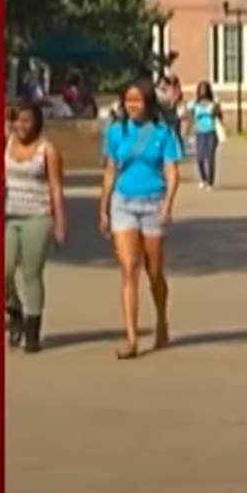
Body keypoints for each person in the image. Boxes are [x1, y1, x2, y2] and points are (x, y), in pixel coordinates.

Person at [99, 77, 183, 359]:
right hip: (123, 203)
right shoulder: (115, 132)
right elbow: (110, 169)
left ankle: (161, 319)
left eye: (137, 100)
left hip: (152, 203)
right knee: (128, 268)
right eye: (128, 100)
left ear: (149, 103)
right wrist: (103, 206)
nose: (132, 105)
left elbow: (172, 171)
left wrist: (168, 205)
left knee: (154, 271)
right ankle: (131, 337)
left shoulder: (163, 133)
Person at [5, 101, 67, 353]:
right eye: (17, 119)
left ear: (37, 122)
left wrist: (60, 223)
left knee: (31, 273)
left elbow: (55, 187)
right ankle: (14, 311)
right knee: (4, 270)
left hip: (38, 216)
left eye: (27, 120)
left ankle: (33, 331)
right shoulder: (6, 143)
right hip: (9, 216)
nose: (22, 125)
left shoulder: (47, 150)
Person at [187, 81, 223, 189]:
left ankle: (211, 182)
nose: (202, 91)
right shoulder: (195, 104)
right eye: (201, 89)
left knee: (210, 157)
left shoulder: (213, 103)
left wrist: (216, 109)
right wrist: (187, 132)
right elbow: (189, 117)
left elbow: (219, 116)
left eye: (204, 89)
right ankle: (203, 178)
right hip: (199, 132)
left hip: (211, 132)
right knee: (200, 157)